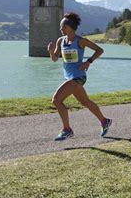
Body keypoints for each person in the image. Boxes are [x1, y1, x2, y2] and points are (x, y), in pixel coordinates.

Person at [47, 12, 112, 141]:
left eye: (63, 27)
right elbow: (55, 59)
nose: (60, 29)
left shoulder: (81, 41)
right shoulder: (60, 41)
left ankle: (67, 130)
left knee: (56, 100)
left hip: (78, 77)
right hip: (69, 77)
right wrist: (50, 51)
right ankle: (104, 121)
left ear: (70, 27)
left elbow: (99, 50)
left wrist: (88, 62)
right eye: (60, 27)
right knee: (85, 102)